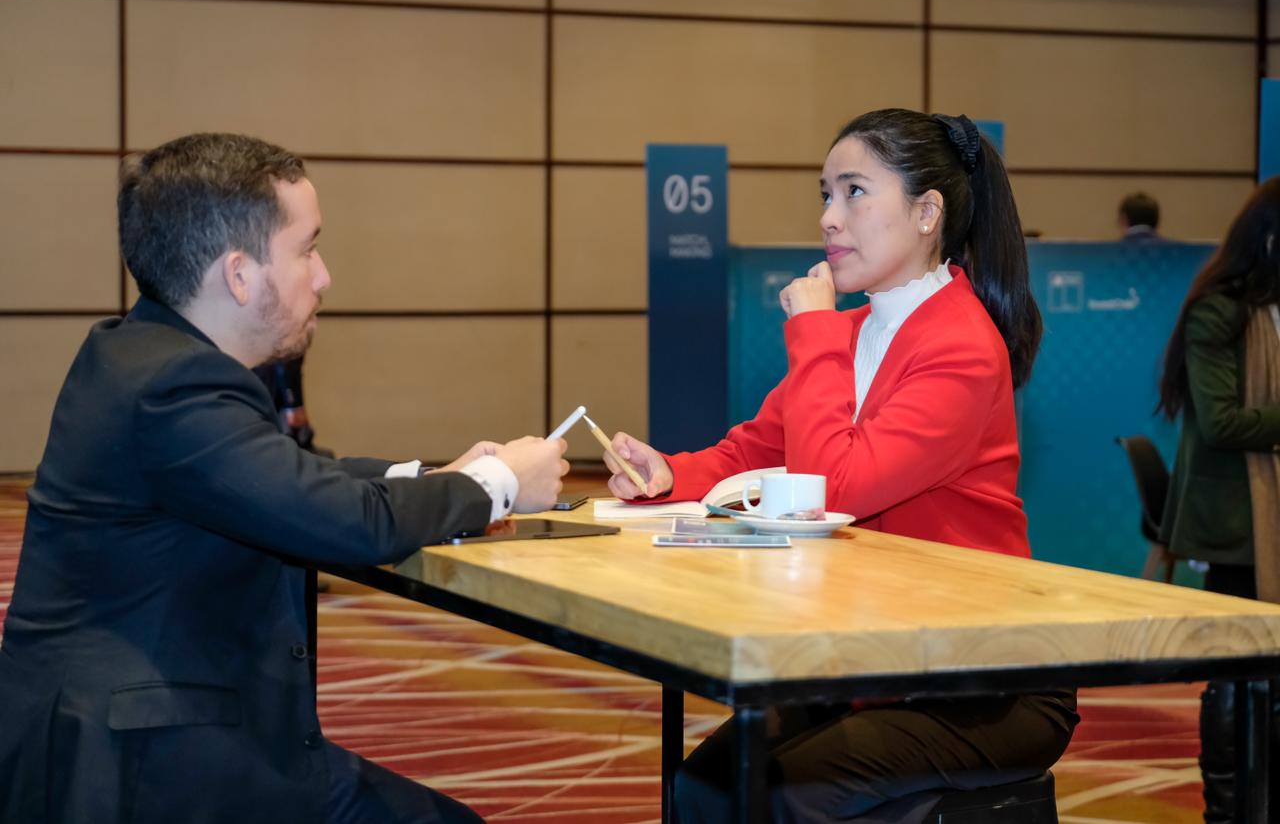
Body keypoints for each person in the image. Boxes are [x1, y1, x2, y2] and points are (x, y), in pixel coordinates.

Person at [0, 133, 568, 824]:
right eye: (306, 250)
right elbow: (347, 523)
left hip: (156, 730)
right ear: (239, 275)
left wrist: (434, 474)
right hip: (142, 766)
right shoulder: (175, 387)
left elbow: (285, 478)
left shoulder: (140, 353)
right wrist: (499, 482)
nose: (323, 276)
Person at [602, 109, 1078, 822]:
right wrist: (669, 473)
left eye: (854, 192)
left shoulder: (961, 344)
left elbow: (837, 487)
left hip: (981, 679)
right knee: (701, 790)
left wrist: (814, 330)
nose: (829, 217)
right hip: (873, 661)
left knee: (782, 797)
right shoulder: (852, 331)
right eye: (826, 194)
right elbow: (756, 451)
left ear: (927, 213)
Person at [1156, 177, 1280, 822]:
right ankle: (1228, 807)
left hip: (1267, 516)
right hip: (1236, 521)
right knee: (1236, 668)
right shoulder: (1220, 309)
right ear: (1271, 238)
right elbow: (1223, 422)